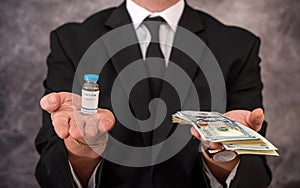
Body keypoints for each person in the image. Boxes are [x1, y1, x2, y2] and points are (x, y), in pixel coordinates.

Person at [35, 0, 272, 187]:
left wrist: (224, 150)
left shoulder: (238, 46)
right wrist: (83, 146)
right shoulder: (71, 42)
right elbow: (51, 176)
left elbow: (254, 178)